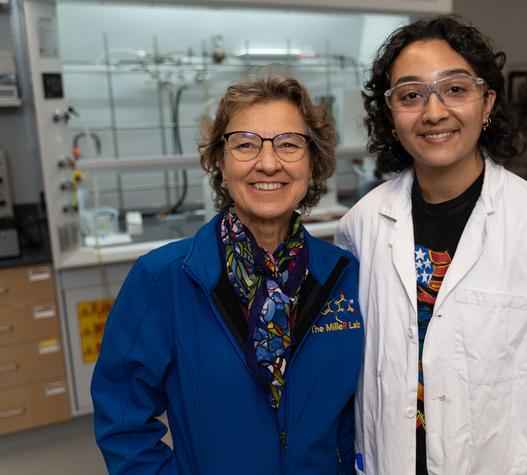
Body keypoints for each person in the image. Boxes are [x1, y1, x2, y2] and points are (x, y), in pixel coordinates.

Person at [335, 15, 527, 475]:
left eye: (455, 89)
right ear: (391, 114)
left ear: (486, 101)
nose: (434, 112)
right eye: (411, 95)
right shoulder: (362, 225)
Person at [92, 77, 363, 474]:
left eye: (288, 144)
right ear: (220, 161)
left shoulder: (343, 276)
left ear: (313, 162)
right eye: (246, 143)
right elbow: (123, 422)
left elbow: (354, 418)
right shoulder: (164, 279)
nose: (268, 163)